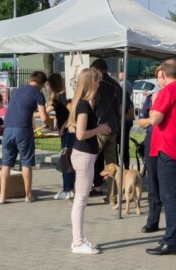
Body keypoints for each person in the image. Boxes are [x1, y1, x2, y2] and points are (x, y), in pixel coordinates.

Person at [145, 59, 176, 256]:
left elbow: (155, 118)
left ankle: (171, 240)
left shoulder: (169, 91)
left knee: (169, 196)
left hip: (168, 148)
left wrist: (151, 110)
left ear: (164, 75)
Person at [68, 68, 111, 254]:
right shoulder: (84, 105)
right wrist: (100, 128)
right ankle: (77, 242)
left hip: (85, 155)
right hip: (84, 155)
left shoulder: (83, 103)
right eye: (97, 81)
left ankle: (78, 239)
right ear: (90, 82)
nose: (99, 84)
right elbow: (80, 133)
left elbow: (72, 128)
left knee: (81, 199)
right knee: (81, 200)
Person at [0, 71, 49, 205]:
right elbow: (43, 117)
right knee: (26, 162)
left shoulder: (17, 91)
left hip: (7, 129)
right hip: (23, 130)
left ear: (31, 79)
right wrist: (50, 124)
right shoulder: (38, 93)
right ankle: (28, 195)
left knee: (6, 164)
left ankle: (2, 197)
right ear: (42, 83)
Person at [89, 59, 122, 202]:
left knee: (88, 161)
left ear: (96, 69)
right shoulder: (116, 84)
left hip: (100, 127)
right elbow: (120, 107)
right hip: (113, 126)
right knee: (112, 166)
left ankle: (82, 195)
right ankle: (113, 196)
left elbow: (93, 105)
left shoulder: (97, 84)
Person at [139, 66, 165, 234]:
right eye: (158, 77)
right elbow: (142, 121)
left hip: (167, 141)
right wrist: (149, 119)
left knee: (168, 185)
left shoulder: (173, 95)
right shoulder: (151, 97)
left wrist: (150, 119)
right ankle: (153, 219)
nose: (160, 80)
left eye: (162, 76)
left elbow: (153, 120)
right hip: (152, 139)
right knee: (152, 181)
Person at [48, 73, 76, 201]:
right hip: (67, 132)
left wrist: (64, 126)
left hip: (68, 132)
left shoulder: (62, 96)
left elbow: (72, 110)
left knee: (66, 160)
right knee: (68, 159)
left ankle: (68, 189)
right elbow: (47, 109)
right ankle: (69, 187)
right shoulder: (59, 97)